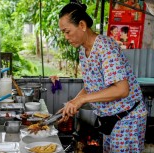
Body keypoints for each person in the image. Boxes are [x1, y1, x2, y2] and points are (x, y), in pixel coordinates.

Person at [58, 2, 147, 153]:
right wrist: (74, 103)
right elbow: (93, 85)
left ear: (82, 25)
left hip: (127, 119)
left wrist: (82, 100)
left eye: (67, 31)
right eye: (63, 33)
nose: (66, 37)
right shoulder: (83, 51)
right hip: (110, 120)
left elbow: (122, 89)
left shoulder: (105, 47)